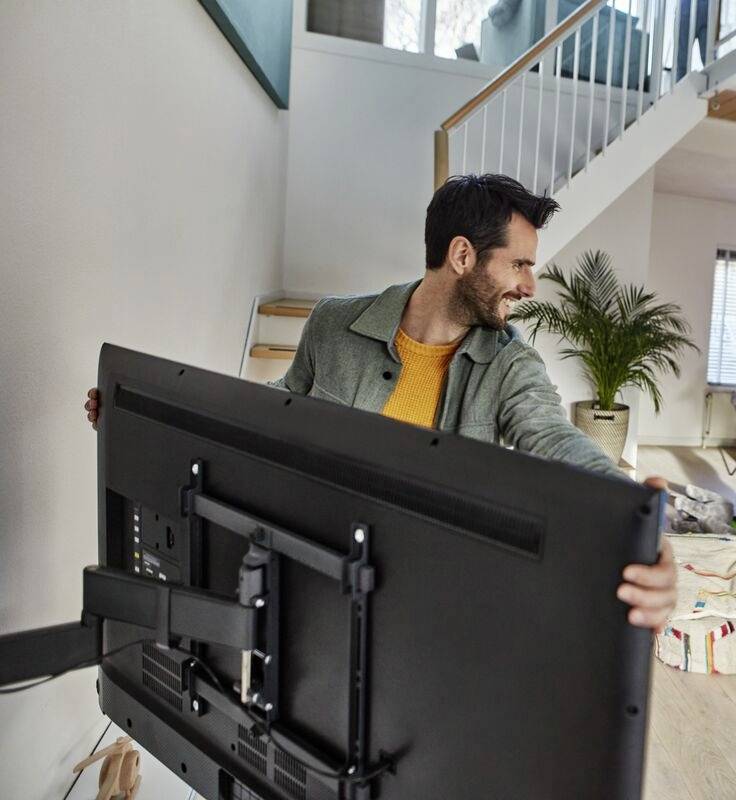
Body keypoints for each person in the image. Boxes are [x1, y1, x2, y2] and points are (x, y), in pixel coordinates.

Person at [85, 173, 677, 631]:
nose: (529, 285)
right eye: (519, 263)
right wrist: (136, 413)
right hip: (317, 574)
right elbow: (277, 405)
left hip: (424, 598)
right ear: (464, 256)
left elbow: (551, 437)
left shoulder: (509, 364)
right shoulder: (334, 324)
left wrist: (632, 514)